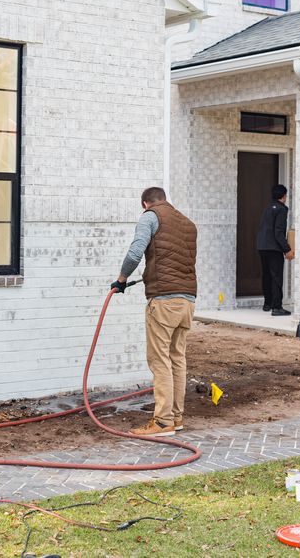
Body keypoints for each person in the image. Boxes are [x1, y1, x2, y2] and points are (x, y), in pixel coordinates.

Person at [111, 187, 197, 437]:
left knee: (160, 361)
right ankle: (176, 418)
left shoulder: (151, 216)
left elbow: (136, 250)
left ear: (145, 204)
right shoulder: (187, 223)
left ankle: (162, 422)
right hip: (188, 300)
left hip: (164, 301)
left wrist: (122, 278)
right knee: (177, 359)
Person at [256, 184, 295, 316]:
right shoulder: (281, 209)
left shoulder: (267, 208)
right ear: (284, 196)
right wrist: (287, 249)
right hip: (274, 248)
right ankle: (277, 307)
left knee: (267, 275)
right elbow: (278, 232)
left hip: (262, 246)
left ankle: (267, 304)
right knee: (276, 277)